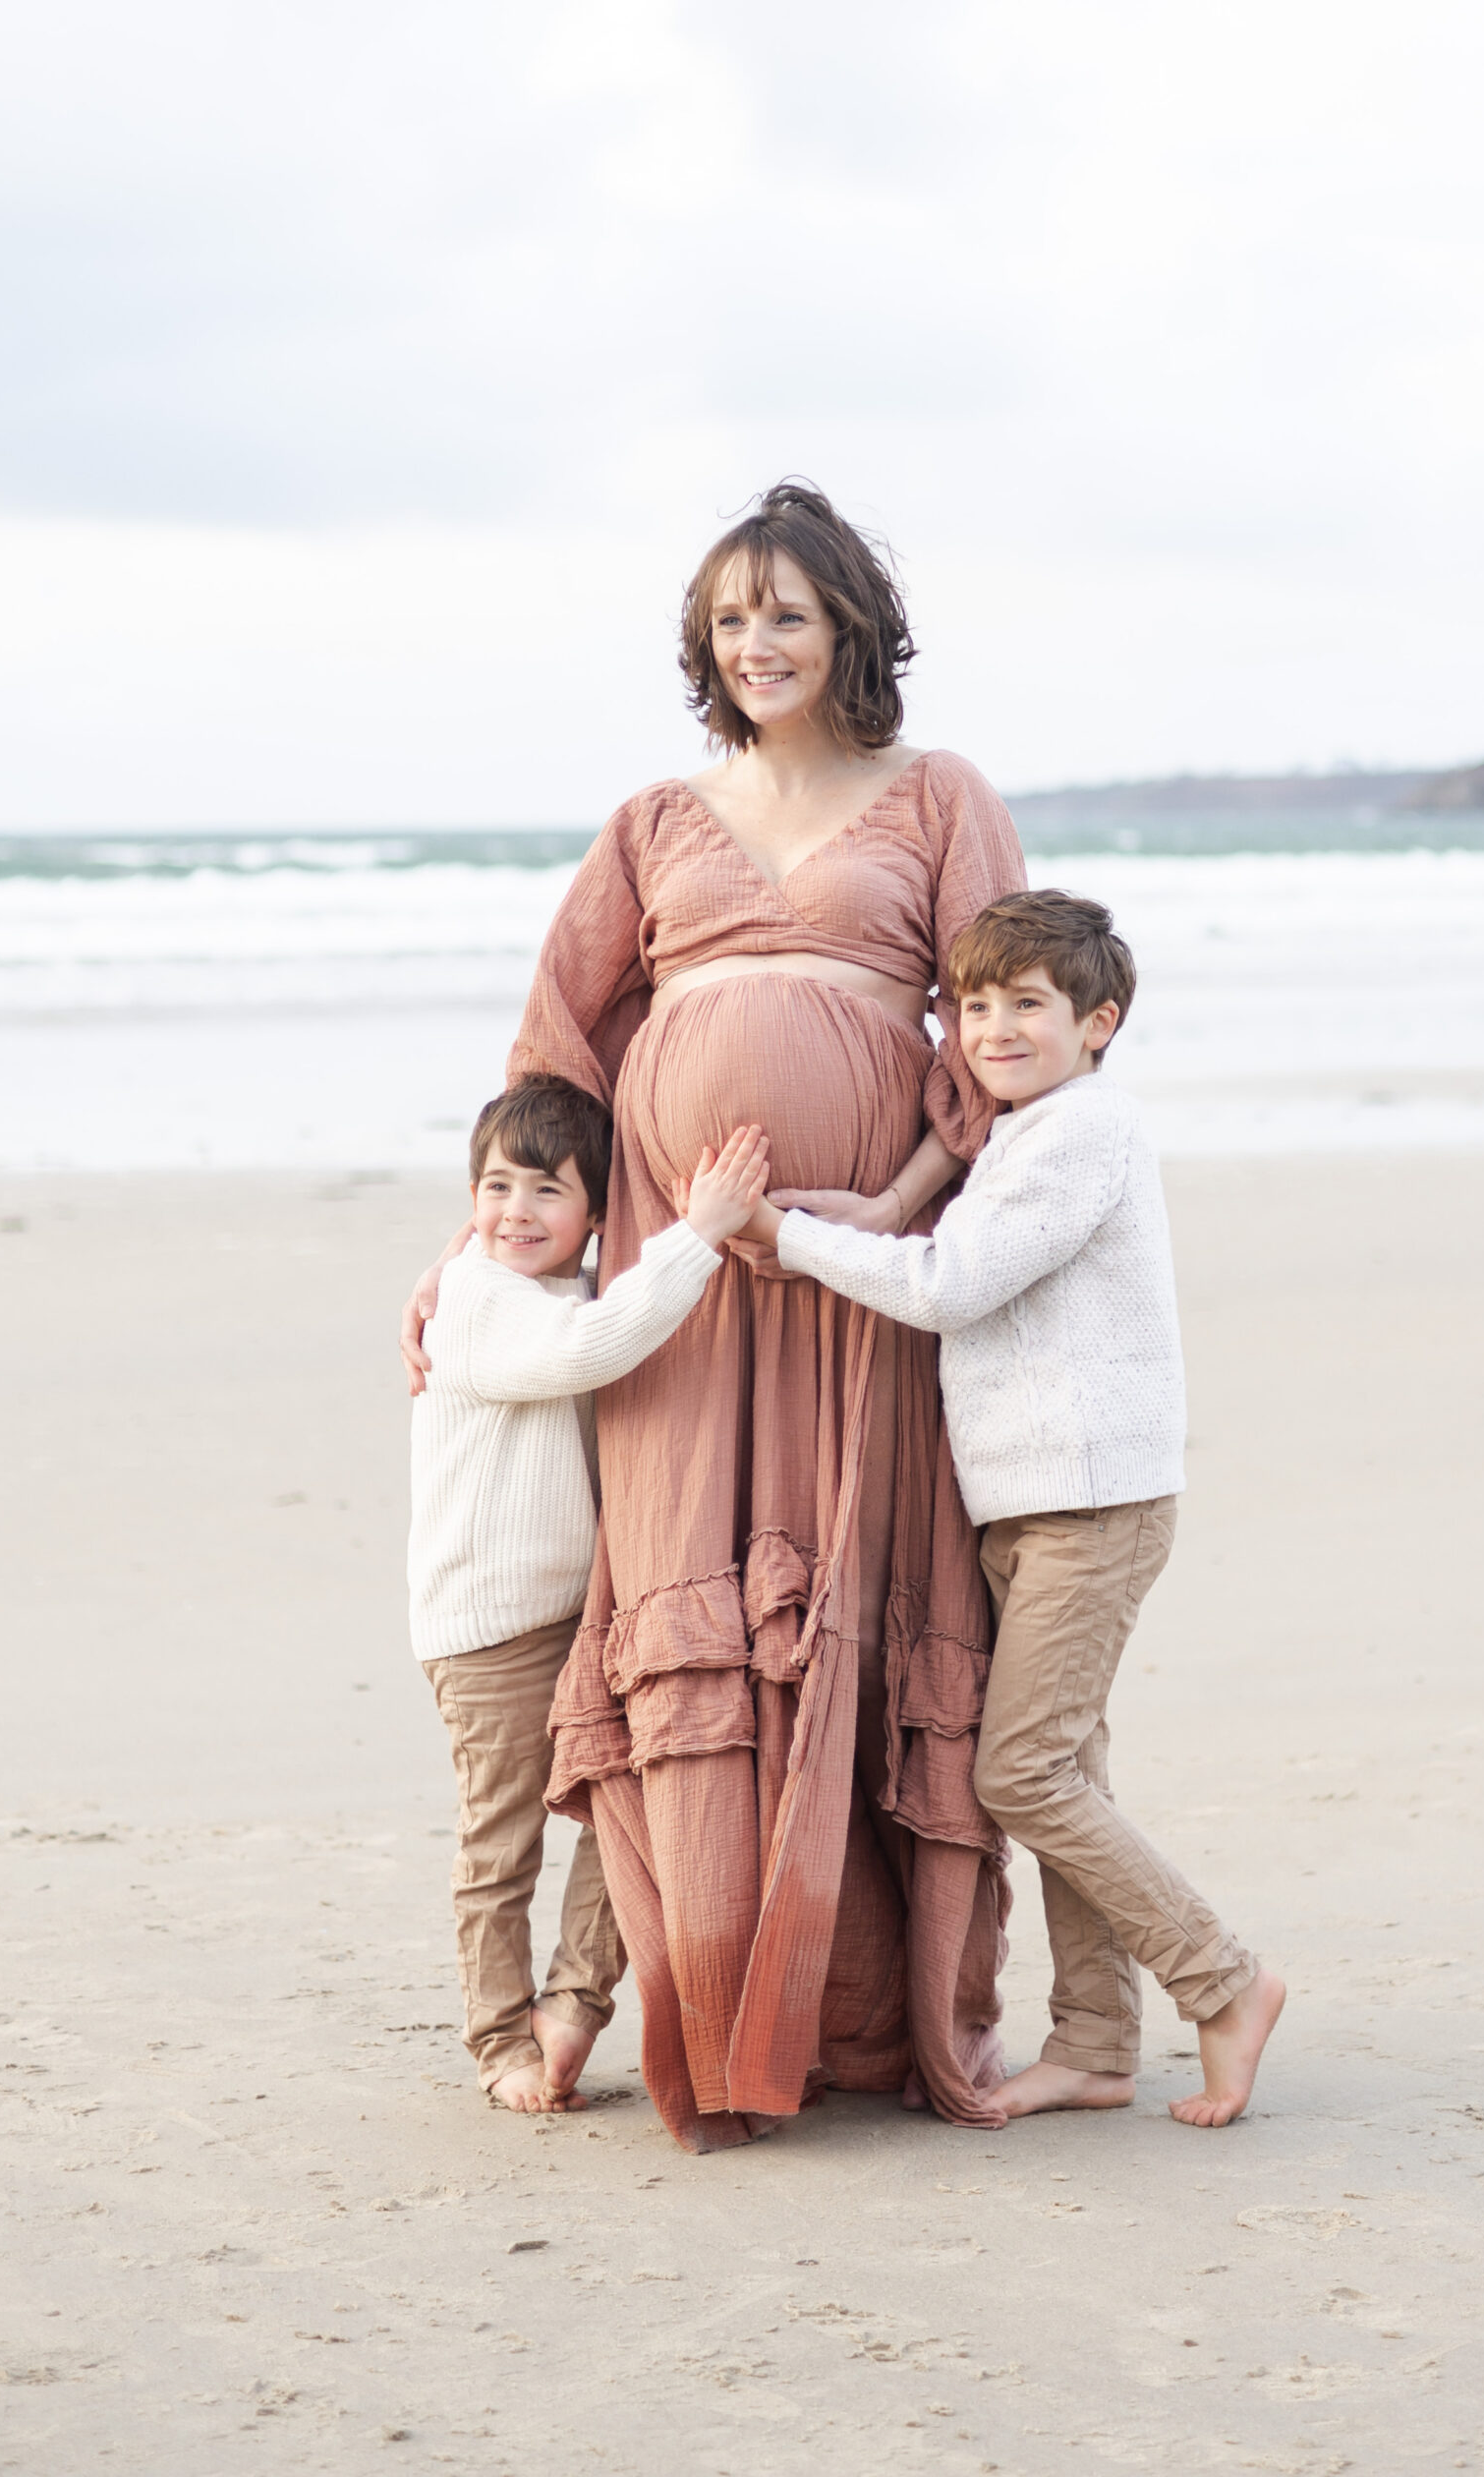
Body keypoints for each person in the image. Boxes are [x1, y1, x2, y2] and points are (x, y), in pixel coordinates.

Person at [402, 482, 1027, 2151]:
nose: (758, 643)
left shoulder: (939, 795)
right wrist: (489, 1253)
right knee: (676, 1585)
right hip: (675, 1292)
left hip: (854, 1289)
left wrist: (887, 1213)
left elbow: (990, 1028)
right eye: (732, 617)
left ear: (848, 635)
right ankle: (685, 1986)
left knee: (854, 1588)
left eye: (788, 615)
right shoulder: (653, 819)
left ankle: (851, 2011)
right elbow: (555, 1046)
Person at [740, 889, 1286, 2127]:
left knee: (1023, 1772)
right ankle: (1096, 2044)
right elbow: (944, 1253)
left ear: (1099, 1022)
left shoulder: (1085, 1128)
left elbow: (956, 1284)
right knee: (1068, 1764)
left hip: (1094, 1499)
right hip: (1029, 1502)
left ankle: (1227, 1980)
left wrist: (787, 1236)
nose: (993, 1027)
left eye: (1026, 1005)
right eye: (973, 1004)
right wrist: (872, 1211)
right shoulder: (1021, 1132)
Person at [408, 1070, 770, 2114]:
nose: (516, 1211)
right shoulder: (476, 1300)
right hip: (486, 1626)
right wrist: (699, 1232)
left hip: (575, 1615)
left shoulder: (561, 1280)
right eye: (496, 1187)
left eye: (547, 1191)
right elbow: (591, 1348)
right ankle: (498, 2039)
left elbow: (599, 1308)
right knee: (502, 1839)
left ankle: (572, 2004)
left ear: (598, 1212)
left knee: (631, 1802)